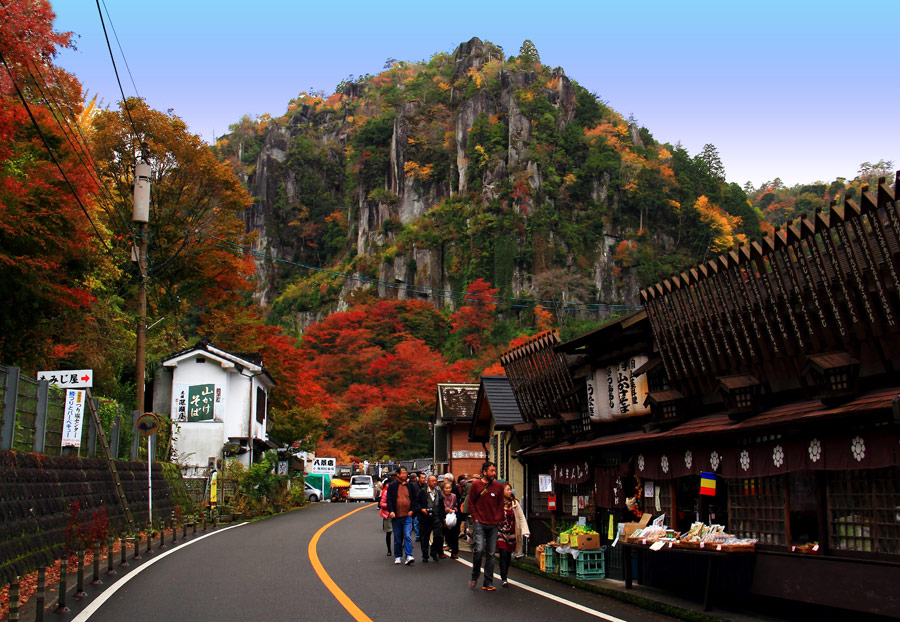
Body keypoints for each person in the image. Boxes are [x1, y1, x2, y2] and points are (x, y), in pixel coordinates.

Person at [467, 461, 505, 591]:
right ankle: (475, 574)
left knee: (491, 553)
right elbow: (471, 503)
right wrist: (476, 518)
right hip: (480, 522)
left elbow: (500, 504)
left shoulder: (498, 487)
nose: (494, 473)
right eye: (491, 471)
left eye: (495, 471)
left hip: (493, 524)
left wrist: (498, 517)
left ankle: (488, 581)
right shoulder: (476, 485)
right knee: (479, 549)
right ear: (484, 472)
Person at [496, 483, 529, 587]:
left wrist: (525, 531)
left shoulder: (514, 503)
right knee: (503, 553)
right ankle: (504, 578)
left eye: (510, 489)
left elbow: (521, 517)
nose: (510, 491)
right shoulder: (498, 503)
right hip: (500, 532)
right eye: (507, 489)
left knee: (508, 554)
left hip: (512, 533)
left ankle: (505, 573)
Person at [385, 467, 418, 565]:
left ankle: (409, 555)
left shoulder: (410, 486)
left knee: (407, 535)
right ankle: (398, 555)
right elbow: (389, 499)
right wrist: (391, 511)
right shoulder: (392, 486)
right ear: (398, 474)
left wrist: (412, 510)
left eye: (405, 473)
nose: (405, 475)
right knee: (398, 537)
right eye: (402, 473)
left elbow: (414, 499)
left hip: (407, 514)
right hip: (397, 515)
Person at [417, 475, 445, 562]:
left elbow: (441, 505)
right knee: (425, 537)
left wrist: (443, 517)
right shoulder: (422, 492)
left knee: (438, 536)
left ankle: (434, 552)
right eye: (432, 481)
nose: (434, 482)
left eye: (435, 481)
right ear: (428, 482)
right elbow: (417, 503)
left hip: (436, 517)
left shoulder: (438, 492)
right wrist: (422, 509)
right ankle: (425, 555)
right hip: (425, 518)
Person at [440, 479, 459, 558]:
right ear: (443, 489)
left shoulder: (454, 496)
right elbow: (440, 507)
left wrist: (454, 510)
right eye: (446, 488)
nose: (448, 490)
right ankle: (440, 552)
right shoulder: (440, 496)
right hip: (443, 517)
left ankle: (454, 552)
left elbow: (456, 505)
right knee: (441, 535)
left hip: (452, 517)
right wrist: (448, 510)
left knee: (454, 535)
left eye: (449, 488)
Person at [379, 474, 396, 556]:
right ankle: (389, 549)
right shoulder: (386, 492)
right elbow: (381, 503)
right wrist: (390, 506)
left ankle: (398, 549)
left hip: (398, 513)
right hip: (388, 513)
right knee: (389, 532)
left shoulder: (399, 491)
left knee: (398, 532)